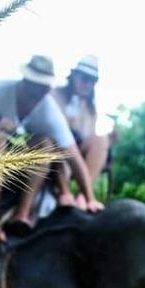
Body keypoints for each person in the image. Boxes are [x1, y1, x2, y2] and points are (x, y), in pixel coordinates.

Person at [0, 54, 102, 243]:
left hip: (17, 163)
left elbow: (73, 155)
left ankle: (22, 214)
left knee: (45, 144)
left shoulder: (49, 109)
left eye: (44, 88)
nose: (40, 93)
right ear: (25, 81)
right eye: (36, 87)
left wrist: (90, 198)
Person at [50, 55, 113, 203]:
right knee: (62, 143)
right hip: (55, 150)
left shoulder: (91, 109)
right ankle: (63, 193)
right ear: (74, 76)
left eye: (92, 81)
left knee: (101, 140)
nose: (88, 84)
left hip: (78, 153)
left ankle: (83, 197)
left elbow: (88, 136)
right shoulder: (54, 95)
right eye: (84, 79)